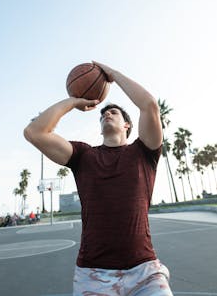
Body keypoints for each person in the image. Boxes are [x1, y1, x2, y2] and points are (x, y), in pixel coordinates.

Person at [24, 61, 173, 295]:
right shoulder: (84, 155)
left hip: (145, 270)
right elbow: (34, 132)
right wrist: (74, 101)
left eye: (113, 112)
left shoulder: (144, 152)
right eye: (103, 114)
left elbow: (149, 105)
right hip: (93, 274)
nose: (106, 114)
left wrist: (112, 75)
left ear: (126, 125)